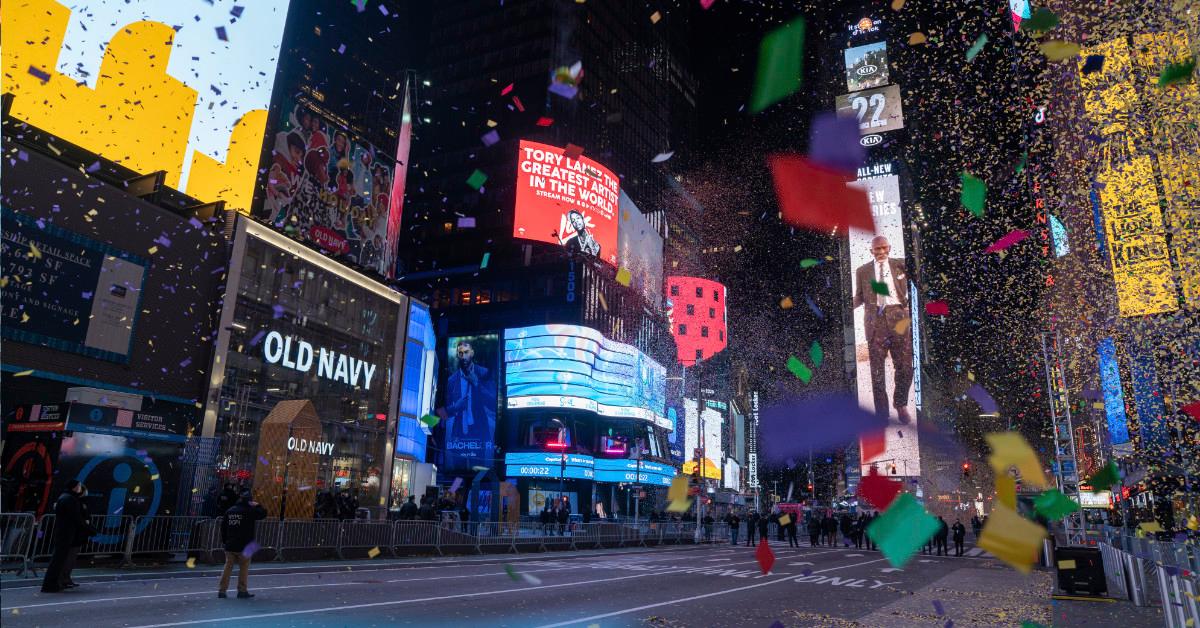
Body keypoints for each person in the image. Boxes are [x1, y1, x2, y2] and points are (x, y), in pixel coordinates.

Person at [852, 235, 914, 423]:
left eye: (883, 248)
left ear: (889, 248)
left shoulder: (902, 265)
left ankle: (900, 404)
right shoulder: (862, 271)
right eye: (876, 249)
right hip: (875, 323)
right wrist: (842, 307)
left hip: (899, 318)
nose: (880, 252)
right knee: (877, 372)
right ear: (871, 251)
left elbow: (916, 286)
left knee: (905, 366)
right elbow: (859, 297)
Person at [444, 339, 498, 469]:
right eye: (460, 353)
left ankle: (477, 490)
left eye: (466, 352)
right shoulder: (451, 380)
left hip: (478, 431)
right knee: (457, 473)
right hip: (459, 435)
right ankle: (453, 489)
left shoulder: (484, 373)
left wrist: (477, 383)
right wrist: (455, 407)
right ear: (457, 355)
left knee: (478, 472)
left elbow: (492, 402)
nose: (463, 356)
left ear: (472, 353)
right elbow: (443, 411)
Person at [41, 481, 91, 592]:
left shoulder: (67, 498)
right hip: (66, 533)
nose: (80, 488)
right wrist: (87, 528)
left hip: (65, 532)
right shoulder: (70, 499)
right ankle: (52, 584)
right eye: (78, 486)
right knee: (59, 560)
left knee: (60, 559)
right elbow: (75, 518)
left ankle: (55, 583)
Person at [218, 491, 267, 599]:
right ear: (249, 501)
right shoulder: (250, 511)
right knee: (244, 568)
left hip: (230, 544)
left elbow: (223, 528)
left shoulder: (230, 511)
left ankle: (222, 590)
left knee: (227, 567)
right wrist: (257, 505)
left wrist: (225, 541)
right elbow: (263, 514)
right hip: (246, 545)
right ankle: (242, 590)